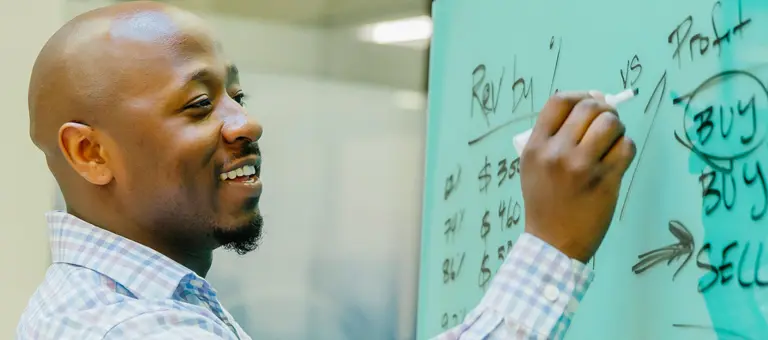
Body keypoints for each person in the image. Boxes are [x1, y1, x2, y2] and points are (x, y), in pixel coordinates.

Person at [16, 1, 636, 339]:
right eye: (200, 105)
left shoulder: (109, 302)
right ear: (90, 154)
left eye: (239, 97)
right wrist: (553, 245)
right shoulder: (134, 327)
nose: (245, 124)